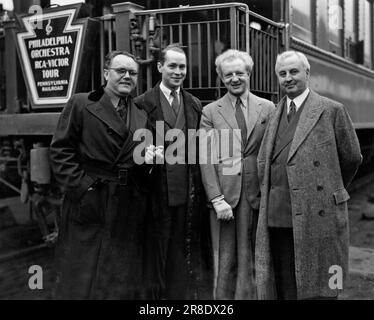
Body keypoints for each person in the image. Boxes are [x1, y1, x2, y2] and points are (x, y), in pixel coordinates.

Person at [255, 50, 362, 300]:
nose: (288, 78)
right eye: (282, 74)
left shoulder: (332, 110)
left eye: (294, 72)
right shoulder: (274, 114)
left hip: (317, 213)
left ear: (307, 73)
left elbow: (352, 157)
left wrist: (330, 187)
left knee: (321, 287)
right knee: (284, 284)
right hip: (277, 215)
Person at [50, 51, 149, 299]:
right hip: (90, 199)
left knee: (117, 275)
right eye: (121, 71)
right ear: (106, 73)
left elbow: (135, 156)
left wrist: (147, 161)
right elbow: (61, 150)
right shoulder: (82, 103)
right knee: (80, 273)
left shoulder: (140, 113)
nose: (127, 76)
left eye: (133, 73)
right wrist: (82, 188)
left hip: (125, 204)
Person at [134, 43, 212, 299]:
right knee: (154, 256)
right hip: (155, 195)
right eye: (172, 66)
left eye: (182, 67)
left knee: (182, 254)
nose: (178, 72)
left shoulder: (194, 104)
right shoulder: (142, 104)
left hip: (186, 194)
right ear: (159, 67)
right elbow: (136, 152)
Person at [199, 49, 275, 299]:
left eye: (239, 73)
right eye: (228, 74)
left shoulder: (267, 108)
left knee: (253, 259)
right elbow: (206, 158)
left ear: (248, 74)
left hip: (257, 193)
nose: (234, 79)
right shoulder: (210, 112)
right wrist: (216, 198)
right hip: (225, 197)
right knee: (225, 260)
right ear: (221, 78)